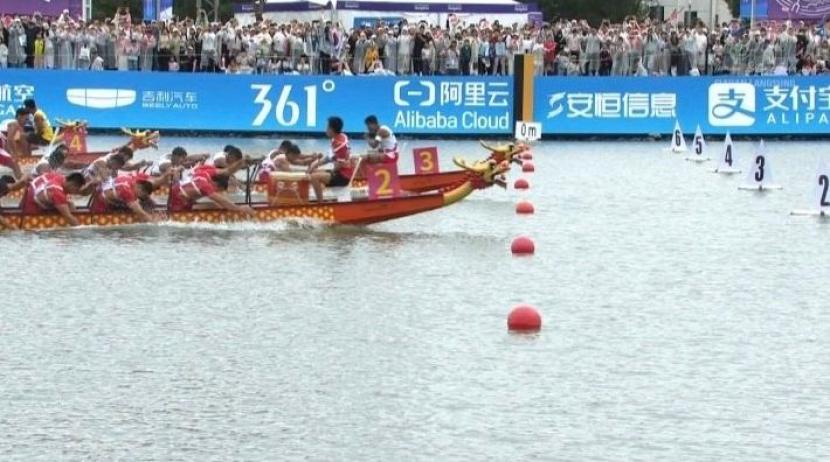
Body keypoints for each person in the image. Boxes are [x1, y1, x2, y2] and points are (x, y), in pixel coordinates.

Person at [169, 160, 256, 216]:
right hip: (178, 203)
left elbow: (227, 171)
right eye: (218, 190)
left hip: (177, 190)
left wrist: (240, 162)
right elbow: (222, 201)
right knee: (219, 204)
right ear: (216, 185)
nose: (216, 192)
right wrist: (240, 209)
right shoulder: (205, 185)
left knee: (217, 205)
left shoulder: (206, 171)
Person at [89, 171, 174, 222]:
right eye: (140, 195)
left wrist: (167, 175)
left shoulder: (138, 177)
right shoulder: (127, 191)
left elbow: (156, 181)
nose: (138, 197)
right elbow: (141, 214)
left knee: (148, 201)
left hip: (105, 194)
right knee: (138, 206)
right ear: (140, 189)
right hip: (101, 207)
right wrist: (156, 223)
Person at [306, 116, 353, 201]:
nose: (325, 130)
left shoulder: (339, 144)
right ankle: (323, 194)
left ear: (332, 129)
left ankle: (321, 203)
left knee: (314, 177)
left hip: (343, 177)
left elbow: (338, 166)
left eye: (327, 127)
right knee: (313, 171)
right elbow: (329, 158)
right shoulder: (339, 137)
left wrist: (328, 173)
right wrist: (315, 165)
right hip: (340, 172)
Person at [21, 172, 87, 227]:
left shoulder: (59, 177)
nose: (75, 193)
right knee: (68, 209)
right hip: (31, 212)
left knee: (70, 204)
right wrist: (81, 230)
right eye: (76, 190)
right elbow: (68, 217)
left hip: (27, 199)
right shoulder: (58, 193)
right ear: (73, 185)